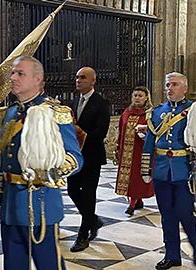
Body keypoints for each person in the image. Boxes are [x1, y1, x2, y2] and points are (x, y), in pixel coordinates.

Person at [0, 56, 84, 270]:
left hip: (39, 203)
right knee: (13, 264)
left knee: (48, 264)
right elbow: (4, 163)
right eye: (13, 73)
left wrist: (47, 173)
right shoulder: (9, 113)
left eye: (20, 73)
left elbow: (75, 158)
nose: (13, 78)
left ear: (37, 78)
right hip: (10, 205)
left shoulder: (54, 112)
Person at [142, 72, 196, 269]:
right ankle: (172, 255)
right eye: (167, 85)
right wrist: (146, 169)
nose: (169, 89)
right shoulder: (156, 112)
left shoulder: (195, 110)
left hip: (185, 171)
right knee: (167, 215)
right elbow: (149, 143)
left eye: (174, 85)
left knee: (184, 212)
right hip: (162, 171)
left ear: (185, 88)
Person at [68, 66, 110, 252]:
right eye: (77, 77)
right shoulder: (73, 101)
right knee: (71, 190)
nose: (79, 80)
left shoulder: (101, 103)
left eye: (83, 77)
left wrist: (81, 135)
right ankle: (93, 220)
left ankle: (83, 235)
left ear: (93, 80)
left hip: (92, 156)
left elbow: (101, 133)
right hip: (75, 157)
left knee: (88, 194)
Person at [114, 86, 154, 216]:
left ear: (146, 97)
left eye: (140, 95)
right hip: (127, 151)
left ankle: (132, 204)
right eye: (135, 95)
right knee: (130, 177)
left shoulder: (150, 113)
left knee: (137, 177)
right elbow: (121, 129)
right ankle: (138, 200)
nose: (137, 98)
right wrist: (118, 147)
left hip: (140, 151)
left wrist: (144, 130)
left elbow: (155, 131)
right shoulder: (127, 112)